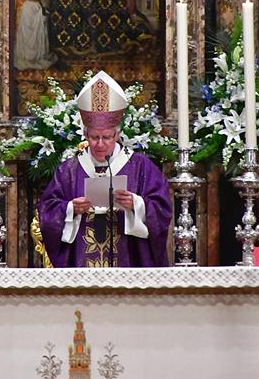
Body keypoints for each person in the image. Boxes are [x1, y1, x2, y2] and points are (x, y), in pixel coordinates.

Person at [37, 71, 172, 267]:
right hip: (81, 266)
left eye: (107, 137)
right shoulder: (69, 170)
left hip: (129, 262)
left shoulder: (141, 167)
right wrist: (70, 209)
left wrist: (136, 204)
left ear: (117, 135)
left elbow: (162, 209)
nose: (100, 144)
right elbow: (46, 210)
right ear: (85, 134)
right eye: (93, 137)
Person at [14, 0, 56, 70]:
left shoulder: (37, 3)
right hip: (29, 33)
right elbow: (29, 22)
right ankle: (30, 59)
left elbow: (41, 15)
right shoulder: (26, 6)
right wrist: (41, 13)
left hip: (38, 31)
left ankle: (39, 58)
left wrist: (43, 12)